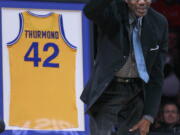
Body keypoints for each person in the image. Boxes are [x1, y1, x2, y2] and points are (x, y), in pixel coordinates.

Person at [80, 0, 168, 135]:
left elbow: (156, 74)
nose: (142, 2)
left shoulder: (159, 22)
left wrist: (149, 115)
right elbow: (90, 11)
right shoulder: (112, 13)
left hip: (138, 93)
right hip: (109, 89)